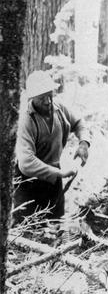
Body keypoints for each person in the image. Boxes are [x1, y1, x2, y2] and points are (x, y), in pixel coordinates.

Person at [13, 70, 91, 221]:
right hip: (28, 182)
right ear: (32, 98)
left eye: (50, 95)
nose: (48, 101)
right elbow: (26, 162)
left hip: (53, 179)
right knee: (29, 228)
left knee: (55, 224)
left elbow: (79, 123)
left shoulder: (59, 108)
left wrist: (83, 143)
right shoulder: (26, 121)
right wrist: (60, 173)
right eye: (42, 98)